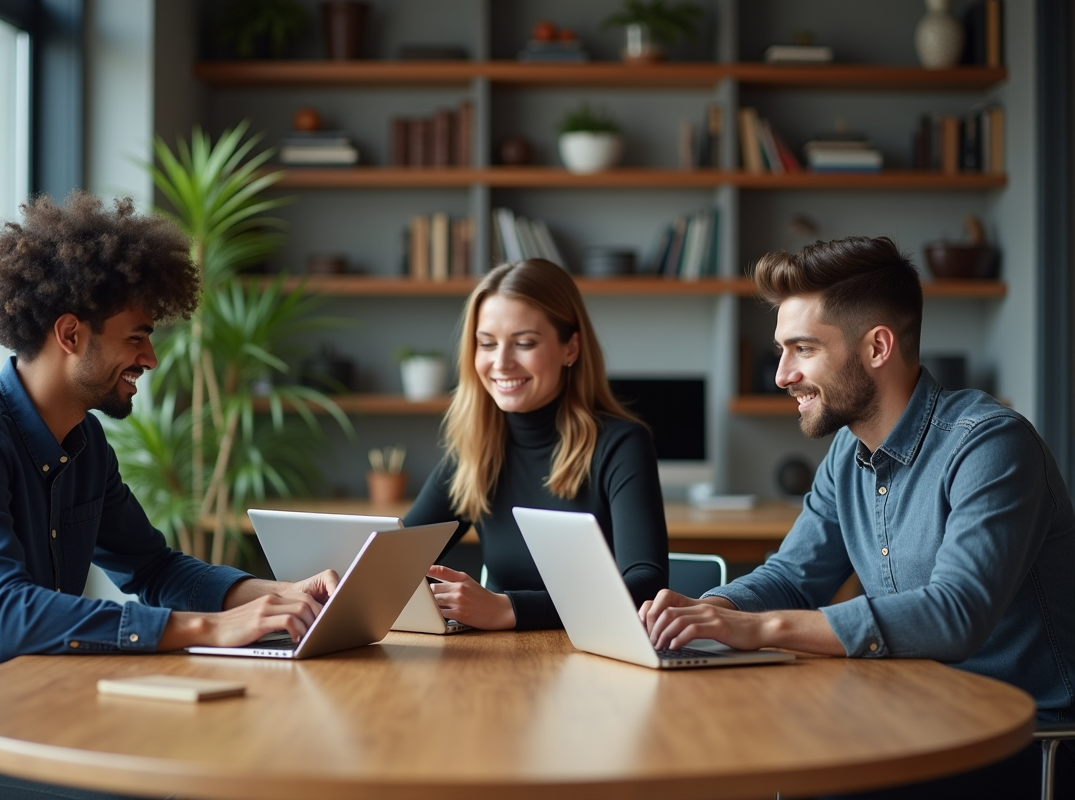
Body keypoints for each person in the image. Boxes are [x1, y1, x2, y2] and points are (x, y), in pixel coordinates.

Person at [0, 192, 338, 800]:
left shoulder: (83, 442)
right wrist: (215, 626)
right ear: (70, 333)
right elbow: (6, 617)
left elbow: (152, 567)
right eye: (137, 338)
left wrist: (280, 596)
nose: (148, 357)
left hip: (26, 718)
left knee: (239, 756)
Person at [640, 236, 1075, 799]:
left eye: (802, 349)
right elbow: (794, 577)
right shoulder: (847, 453)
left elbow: (956, 614)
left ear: (877, 347)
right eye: (782, 350)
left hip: (1023, 741)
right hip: (913, 718)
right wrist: (707, 612)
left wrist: (759, 628)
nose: (781, 375)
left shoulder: (991, 445)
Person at [404, 259, 668, 630]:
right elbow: (390, 565)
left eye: (524, 343)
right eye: (487, 344)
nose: (501, 362)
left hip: (593, 663)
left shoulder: (621, 443)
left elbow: (646, 587)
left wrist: (507, 609)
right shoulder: (476, 449)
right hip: (496, 665)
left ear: (570, 349)